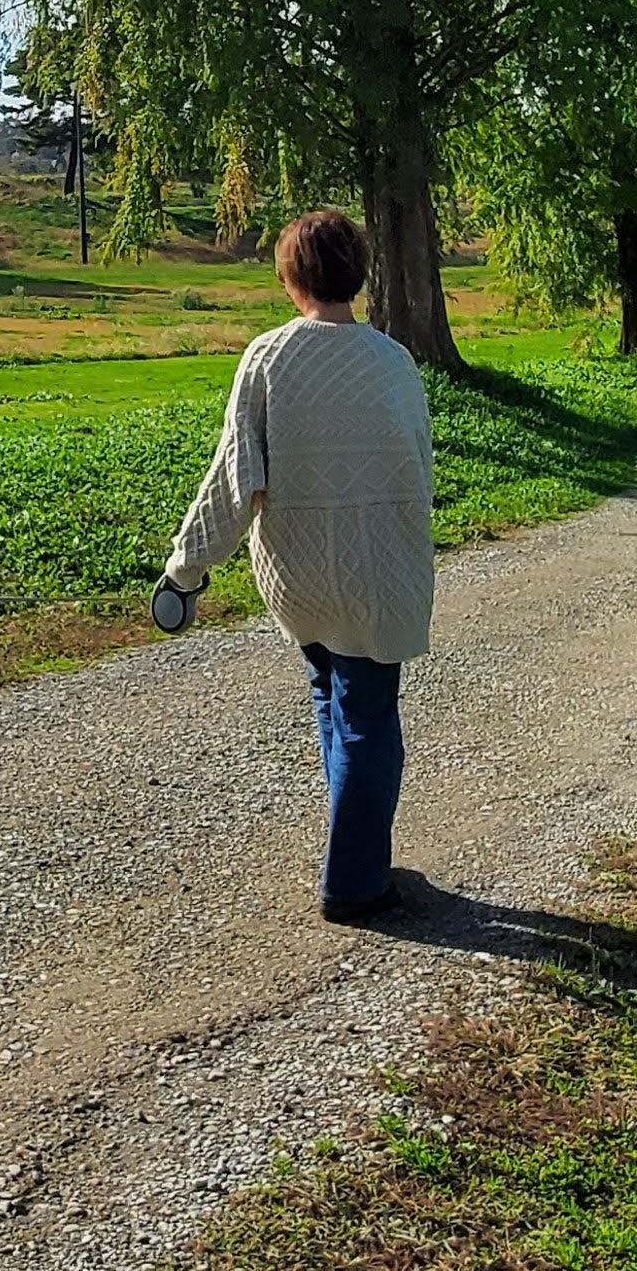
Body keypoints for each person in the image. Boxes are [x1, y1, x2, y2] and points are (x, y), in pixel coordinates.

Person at [162, 206, 436, 919]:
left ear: (292, 277)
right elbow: (419, 472)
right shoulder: (395, 361)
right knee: (369, 715)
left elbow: (234, 479)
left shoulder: (268, 357)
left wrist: (185, 571)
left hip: (299, 574)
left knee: (331, 694)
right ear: (358, 274)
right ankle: (356, 880)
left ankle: (355, 846)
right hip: (380, 571)